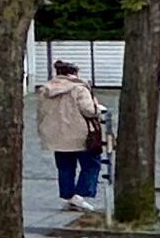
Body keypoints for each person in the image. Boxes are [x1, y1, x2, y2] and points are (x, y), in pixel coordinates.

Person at [36, 60, 108, 211]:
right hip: (80, 135)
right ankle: (80, 195)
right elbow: (89, 111)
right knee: (91, 164)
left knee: (65, 167)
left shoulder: (45, 90)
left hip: (57, 136)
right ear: (74, 73)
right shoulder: (79, 89)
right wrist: (98, 109)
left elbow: (41, 112)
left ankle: (68, 196)